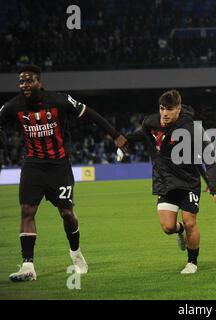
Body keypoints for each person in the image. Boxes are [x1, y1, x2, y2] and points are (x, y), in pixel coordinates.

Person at [0, 65, 127, 281]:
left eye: (29, 81)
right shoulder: (13, 106)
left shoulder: (59, 101)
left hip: (59, 166)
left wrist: (115, 135)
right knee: (27, 211)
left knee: (67, 214)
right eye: (21, 82)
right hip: (32, 165)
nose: (24, 85)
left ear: (39, 82)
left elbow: (90, 113)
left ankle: (76, 253)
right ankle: (28, 266)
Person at [123, 90, 216, 274]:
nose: (164, 113)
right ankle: (180, 231)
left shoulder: (193, 128)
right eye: (162, 109)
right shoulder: (152, 122)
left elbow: (210, 158)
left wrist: (215, 186)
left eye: (169, 109)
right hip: (166, 182)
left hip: (188, 182)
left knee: (190, 221)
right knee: (168, 227)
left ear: (178, 109)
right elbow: (143, 133)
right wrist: (124, 140)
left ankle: (192, 262)